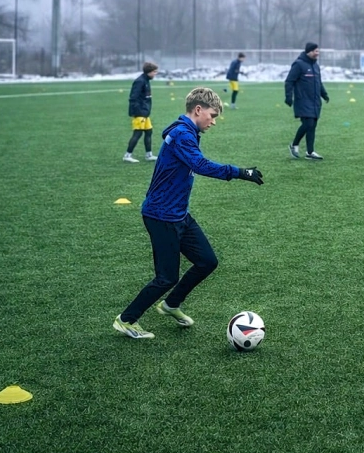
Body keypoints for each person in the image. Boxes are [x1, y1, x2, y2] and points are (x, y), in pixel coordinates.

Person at [113, 87, 264, 339]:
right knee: (166, 277)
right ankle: (126, 320)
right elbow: (200, 165)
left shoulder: (188, 132)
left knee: (207, 261)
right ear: (198, 110)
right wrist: (240, 172)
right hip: (161, 216)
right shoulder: (183, 134)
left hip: (178, 214)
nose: (213, 121)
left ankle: (171, 304)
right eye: (212, 115)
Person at [285, 42, 330, 160]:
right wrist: (288, 96)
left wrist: (324, 94)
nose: (317, 53)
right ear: (309, 51)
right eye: (315, 51)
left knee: (312, 126)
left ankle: (310, 152)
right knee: (308, 124)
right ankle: (294, 144)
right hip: (303, 100)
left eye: (318, 51)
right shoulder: (298, 64)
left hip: (315, 101)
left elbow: (318, 83)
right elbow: (289, 81)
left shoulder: (316, 66)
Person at [124, 61, 159, 163]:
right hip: (140, 113)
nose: (155, 74)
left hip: (145, 112)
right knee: (138, 133)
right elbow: (133, 98)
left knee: (149, 132)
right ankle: (127, 155)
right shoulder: (140, 81)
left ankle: (149, 155)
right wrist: (139, 112)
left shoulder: (146, 80)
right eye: (154, 72)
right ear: (149, 71)